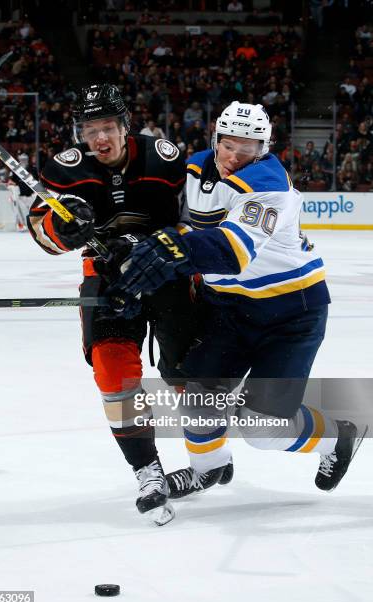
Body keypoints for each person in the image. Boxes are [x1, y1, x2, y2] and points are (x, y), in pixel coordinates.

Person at [107, 101, 366, 498]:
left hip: (292, 314)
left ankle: (337, 437)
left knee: (263, 429)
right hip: (229, 307)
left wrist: (172, 249)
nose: (234, 156)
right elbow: (160, 208)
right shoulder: (196, 167)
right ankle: (208, 468)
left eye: (248, 148)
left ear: (265, 148)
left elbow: (233, 251)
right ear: (215, 139)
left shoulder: (268, 183)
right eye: (228, 145)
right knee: (196, 393)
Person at [26, 83, 197, 525]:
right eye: (89, 129)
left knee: (191, 374)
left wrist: (144, 243)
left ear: (125, 126)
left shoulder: (164, 157)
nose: (99, 139)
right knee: (113, 370)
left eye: (106, 127)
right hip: (105, 276)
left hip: (166, 271)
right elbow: (40, 231)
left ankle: (211, 456)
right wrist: (62, 229)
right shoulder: (65, 172)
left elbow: (192, 222)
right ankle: (148, 471)